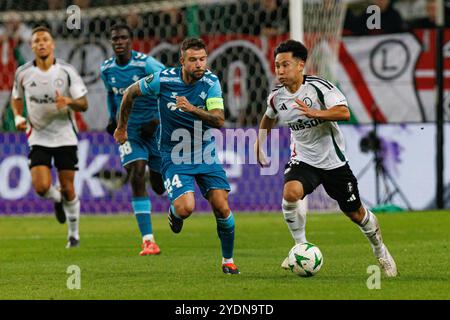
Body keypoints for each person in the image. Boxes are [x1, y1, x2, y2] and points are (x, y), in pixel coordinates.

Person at [254, 40, 397, 277]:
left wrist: (316, 113)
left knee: (356, 214)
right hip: (304, 160)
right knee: (290, 194)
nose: (279, 71)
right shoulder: (277, 96)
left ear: (300, 65)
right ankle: (301, 246)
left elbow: (343, 112)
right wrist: (260, 142)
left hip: (334, 163)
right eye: (277, 66)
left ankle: (380, 251)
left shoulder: (320, 87)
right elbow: (269, 117)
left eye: (285, 65)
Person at [114, 38, 239, 274]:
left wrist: (192, 108)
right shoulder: (164, 79)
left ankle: (228, 261)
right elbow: (130, 93)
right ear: (182, 61)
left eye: (202, 59)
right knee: (185, 208)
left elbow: (219, 120)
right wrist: (122, 127)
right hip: (174, 155)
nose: (199, 64)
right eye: (193, 60)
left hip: (205, 153)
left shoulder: (211, 82)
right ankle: (173, 212)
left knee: (222, 207)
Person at [11, 26, 88, 248]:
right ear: (31, 46)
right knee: (41, 187)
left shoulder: (66, 71)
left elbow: (84, 104)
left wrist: (69, 102)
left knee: (69, 189)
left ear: (52, 44)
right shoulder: (23, 73)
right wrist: (17, 117)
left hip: (65, 137)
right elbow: (17, 97)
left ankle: (74, 235)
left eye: (45, 39)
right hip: (38, 135)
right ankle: (56, 200)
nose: (41, 43)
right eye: (37, 41)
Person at [100, 24, 166, 256]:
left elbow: (169, 87)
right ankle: (148, 241)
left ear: (131, 41)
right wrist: (113, 118)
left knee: (159, 187)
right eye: (115, 38)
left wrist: (157, 120)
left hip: (153, 130)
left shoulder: (146, 64)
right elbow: (111, 94)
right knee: (137, 172)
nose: (119, 41)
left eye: (123, 38)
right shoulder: (106, 69)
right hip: (129, 131)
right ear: (111, 42)